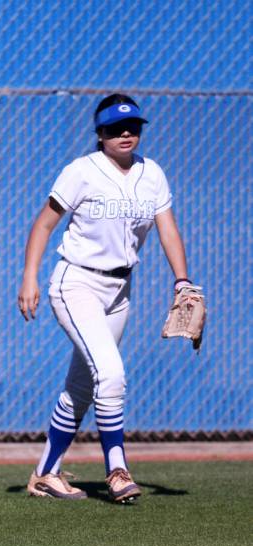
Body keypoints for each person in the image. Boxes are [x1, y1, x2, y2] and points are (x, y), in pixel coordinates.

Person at [17, 94, 197, 503]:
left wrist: (182, 281)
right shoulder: (82, 171)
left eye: (133, 126)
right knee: (111, 373)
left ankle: (45, 473)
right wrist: (29, 277)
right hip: (76, 283)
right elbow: (44, 225)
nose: (126, 133)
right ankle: (117, 470)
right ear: (100, 133)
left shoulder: (152, 174)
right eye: (116, 128)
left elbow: (168, 229)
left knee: (81, 387)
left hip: (119, 291)